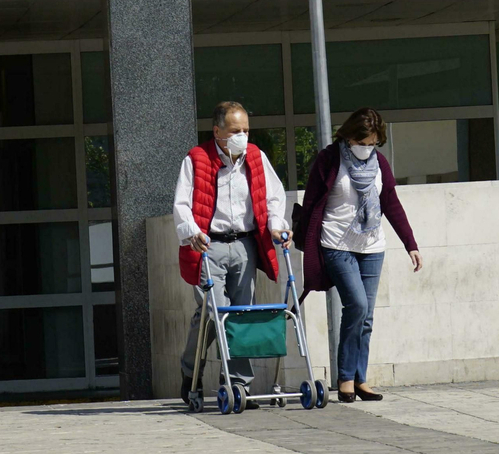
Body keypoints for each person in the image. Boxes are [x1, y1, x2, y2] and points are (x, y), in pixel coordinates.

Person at [299, 107, 422, 403]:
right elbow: (312, 200)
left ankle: (360, 379)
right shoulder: (329, 159)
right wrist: (302, 238)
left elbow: (390, 202)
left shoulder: (379, 163)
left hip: (371, 245)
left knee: (366, 316)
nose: (366, 148)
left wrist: (411, 244)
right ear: (349, 136)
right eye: (361, 142)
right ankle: (345, 378)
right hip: (336, 243)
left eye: (372, 143)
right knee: (356, 305)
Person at [174, 101, 292, 402]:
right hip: (208, 245)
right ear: (217, 131)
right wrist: (192, 232)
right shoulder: (197, 159)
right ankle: (191, 371)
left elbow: (273, 198)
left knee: (241, 314)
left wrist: (277, 227)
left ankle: (238, 384)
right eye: (236, 130)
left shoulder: (256, 157)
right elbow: (182, 204)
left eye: (246, 130)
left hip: (244, 244)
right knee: (214, 313)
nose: (243, 136)